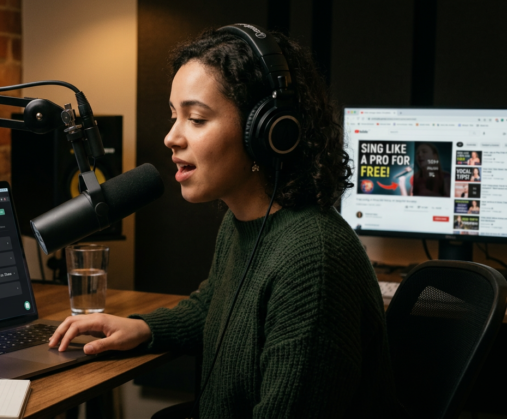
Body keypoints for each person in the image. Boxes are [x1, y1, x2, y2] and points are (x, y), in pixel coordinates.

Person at [49, 25, 406, 417]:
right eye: (173, 116)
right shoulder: (245, 221)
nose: (171, 137)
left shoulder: (311, 260)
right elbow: (216, 305)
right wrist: (146, 328)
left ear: (267, 132)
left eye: (196, 119)